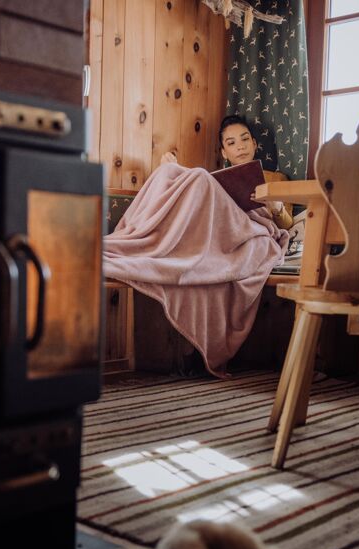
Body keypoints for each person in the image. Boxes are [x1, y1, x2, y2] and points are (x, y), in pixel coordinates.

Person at [103, 115, 291, 378]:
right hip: (218, 231)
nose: (240, 146)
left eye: (245, 139)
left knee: (199, 177)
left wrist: (276, 206)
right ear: (224, 151)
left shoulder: (274, 179)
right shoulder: (219, 178)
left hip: (250, 231)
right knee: (184, 175)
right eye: (232, 142)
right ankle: (154, 238)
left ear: (255, 144)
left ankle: (175, 180)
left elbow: (287, 224)